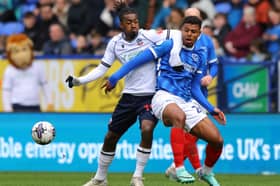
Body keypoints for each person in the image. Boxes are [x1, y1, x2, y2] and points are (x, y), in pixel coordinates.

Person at [65, 3, 182, 186]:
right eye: (129, 22)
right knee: (110, 137)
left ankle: (137, 176)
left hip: (150, 95)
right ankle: (100, 178)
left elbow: (175, 34)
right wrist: (79, 81)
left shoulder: (148, 35)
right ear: (121, 24)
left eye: (136, 21)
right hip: (129, 96)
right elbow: (102, 69)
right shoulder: (115, 43)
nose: (134, 25)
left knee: (147, 129)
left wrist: (174, 55)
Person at [104, 16, 226, 186]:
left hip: (186, 100)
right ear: (180, 30)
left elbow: (195, 88)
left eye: (193, 32)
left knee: (217, 140)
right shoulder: (169, 45)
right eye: (186, 30)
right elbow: (137, 60)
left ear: (199, 34)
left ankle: (206, 172)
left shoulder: (200, 54)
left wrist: (211, 108)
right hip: (163, 96)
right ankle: (179, 168)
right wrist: (116, 77)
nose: (189, 34)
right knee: (179, 116)